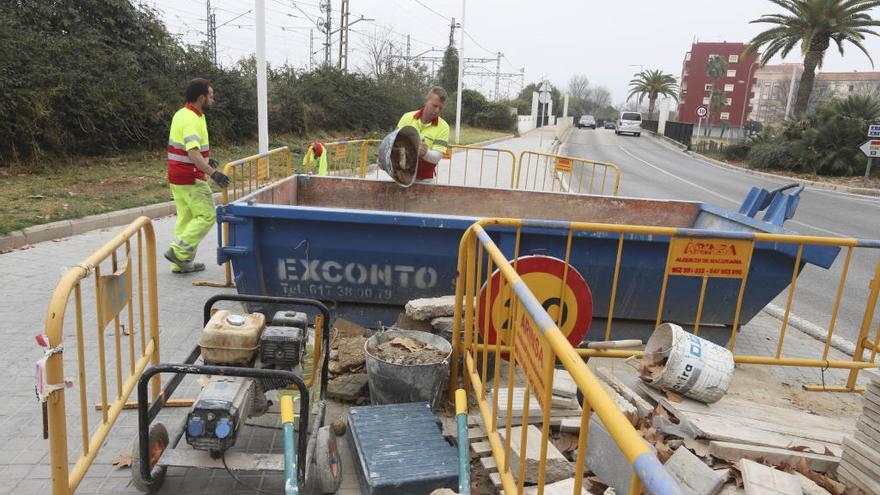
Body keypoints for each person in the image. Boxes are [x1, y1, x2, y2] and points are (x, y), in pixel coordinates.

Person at [164, 78, 231, 274]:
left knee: (186, 218)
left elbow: (189, 150)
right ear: (201, 98)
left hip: (177, 175)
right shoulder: (192, 119)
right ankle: (178, 252)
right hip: (190, 176)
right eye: (210, 96)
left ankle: (180, 263)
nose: (213, 99)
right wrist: (213, 173)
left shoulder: (182, 114)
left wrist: (206, 160)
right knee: (207, 215)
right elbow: (192, 152)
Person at [396, 86, 450, 184]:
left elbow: (437, 156)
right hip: (400, 176)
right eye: (434, 105)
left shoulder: (444, 127)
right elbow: (393, 143)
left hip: (425, 181)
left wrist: (426, 153)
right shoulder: (407, 117)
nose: (437, 111)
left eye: (440, 108)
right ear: (426, 100)